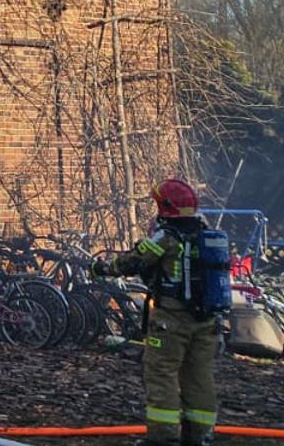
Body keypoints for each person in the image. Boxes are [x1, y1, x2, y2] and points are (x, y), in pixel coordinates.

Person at [93, 179, 221, 446]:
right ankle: (200, 436)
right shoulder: (207, 234)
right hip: (206, 321)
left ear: (166, 206)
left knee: (161, 373)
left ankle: (163, 438)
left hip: (171, 320)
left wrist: (103, 268)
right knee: (199, 377)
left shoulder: (167, 237)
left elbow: (133, 261)